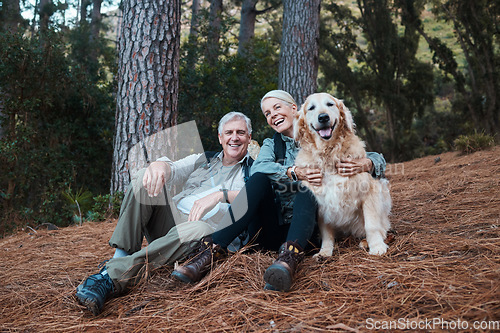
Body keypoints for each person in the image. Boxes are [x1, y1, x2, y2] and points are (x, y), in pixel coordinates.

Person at [171, 90, 386, 292]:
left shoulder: (320, 136)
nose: (273, 115)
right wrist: (294, 171)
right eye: (267, 113)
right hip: (271, 226)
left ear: (295, 109)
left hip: (306, 231)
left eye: (277, 108)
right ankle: (208, 252)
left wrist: (367, 163)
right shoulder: (271, 145)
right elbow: (259, 167)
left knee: (308, 187)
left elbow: (369, 154)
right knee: (260, 178)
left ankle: (287, 261)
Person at [75, 112, 254, 315]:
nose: (235, 137)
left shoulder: (253, 170)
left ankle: (110, 277)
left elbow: (256, 199)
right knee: (144, 177)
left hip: (203, 239)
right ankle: (120, 257)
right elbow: (174, 168)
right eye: (229, 132)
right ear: (220, 137)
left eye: (241, 132)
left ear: (249, 137)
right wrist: (160, 165)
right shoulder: (205, 160)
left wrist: (220, 195)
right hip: (171, 223)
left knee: (200, 228)